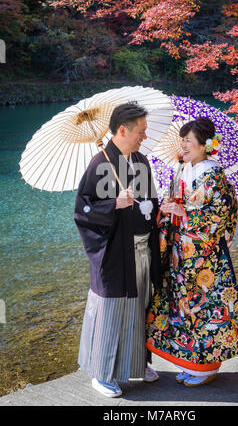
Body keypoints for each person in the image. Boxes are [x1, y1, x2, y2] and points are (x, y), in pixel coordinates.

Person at [145, 117, 238, 387]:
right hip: (181, 254)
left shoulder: (213, 173)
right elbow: (173, 205)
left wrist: (182, 212)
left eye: (188, 141)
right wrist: (168, 207)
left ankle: (207, 367)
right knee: (183, 309)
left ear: (204, 145)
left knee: (205, 309)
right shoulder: (181, 169)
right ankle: (192, 363)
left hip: (206, 256)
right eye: (182, 140)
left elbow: (220, 214)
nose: (183, 145)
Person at [74, 101, 162, 398]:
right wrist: (113, 204)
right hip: (114, 253)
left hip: (142, 249)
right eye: (141, 131)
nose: (144, 137)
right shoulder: (101, 164)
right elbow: (82, 210)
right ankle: (102, 374)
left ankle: (137, 364)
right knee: (112, 310)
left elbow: (150, 200)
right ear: (122, 130)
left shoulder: (140, 160)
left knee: (140, 308)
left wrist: (158, 209)